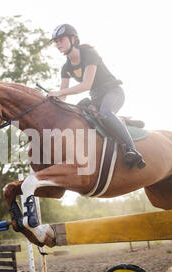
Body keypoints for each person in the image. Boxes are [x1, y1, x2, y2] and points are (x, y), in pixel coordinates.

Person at [48, 24, 145, 169]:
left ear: (73, 39)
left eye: (61, 40)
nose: (58, 44)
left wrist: (59, 93)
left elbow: (86, 85)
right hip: (96, 99)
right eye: (56, 42)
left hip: (113, 92)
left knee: (105, 113)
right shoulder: (65, 68)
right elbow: (63, 95)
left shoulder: (88, 54)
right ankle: (120, 122)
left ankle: (132, 149)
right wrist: (54, 103)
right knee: (80, 116)